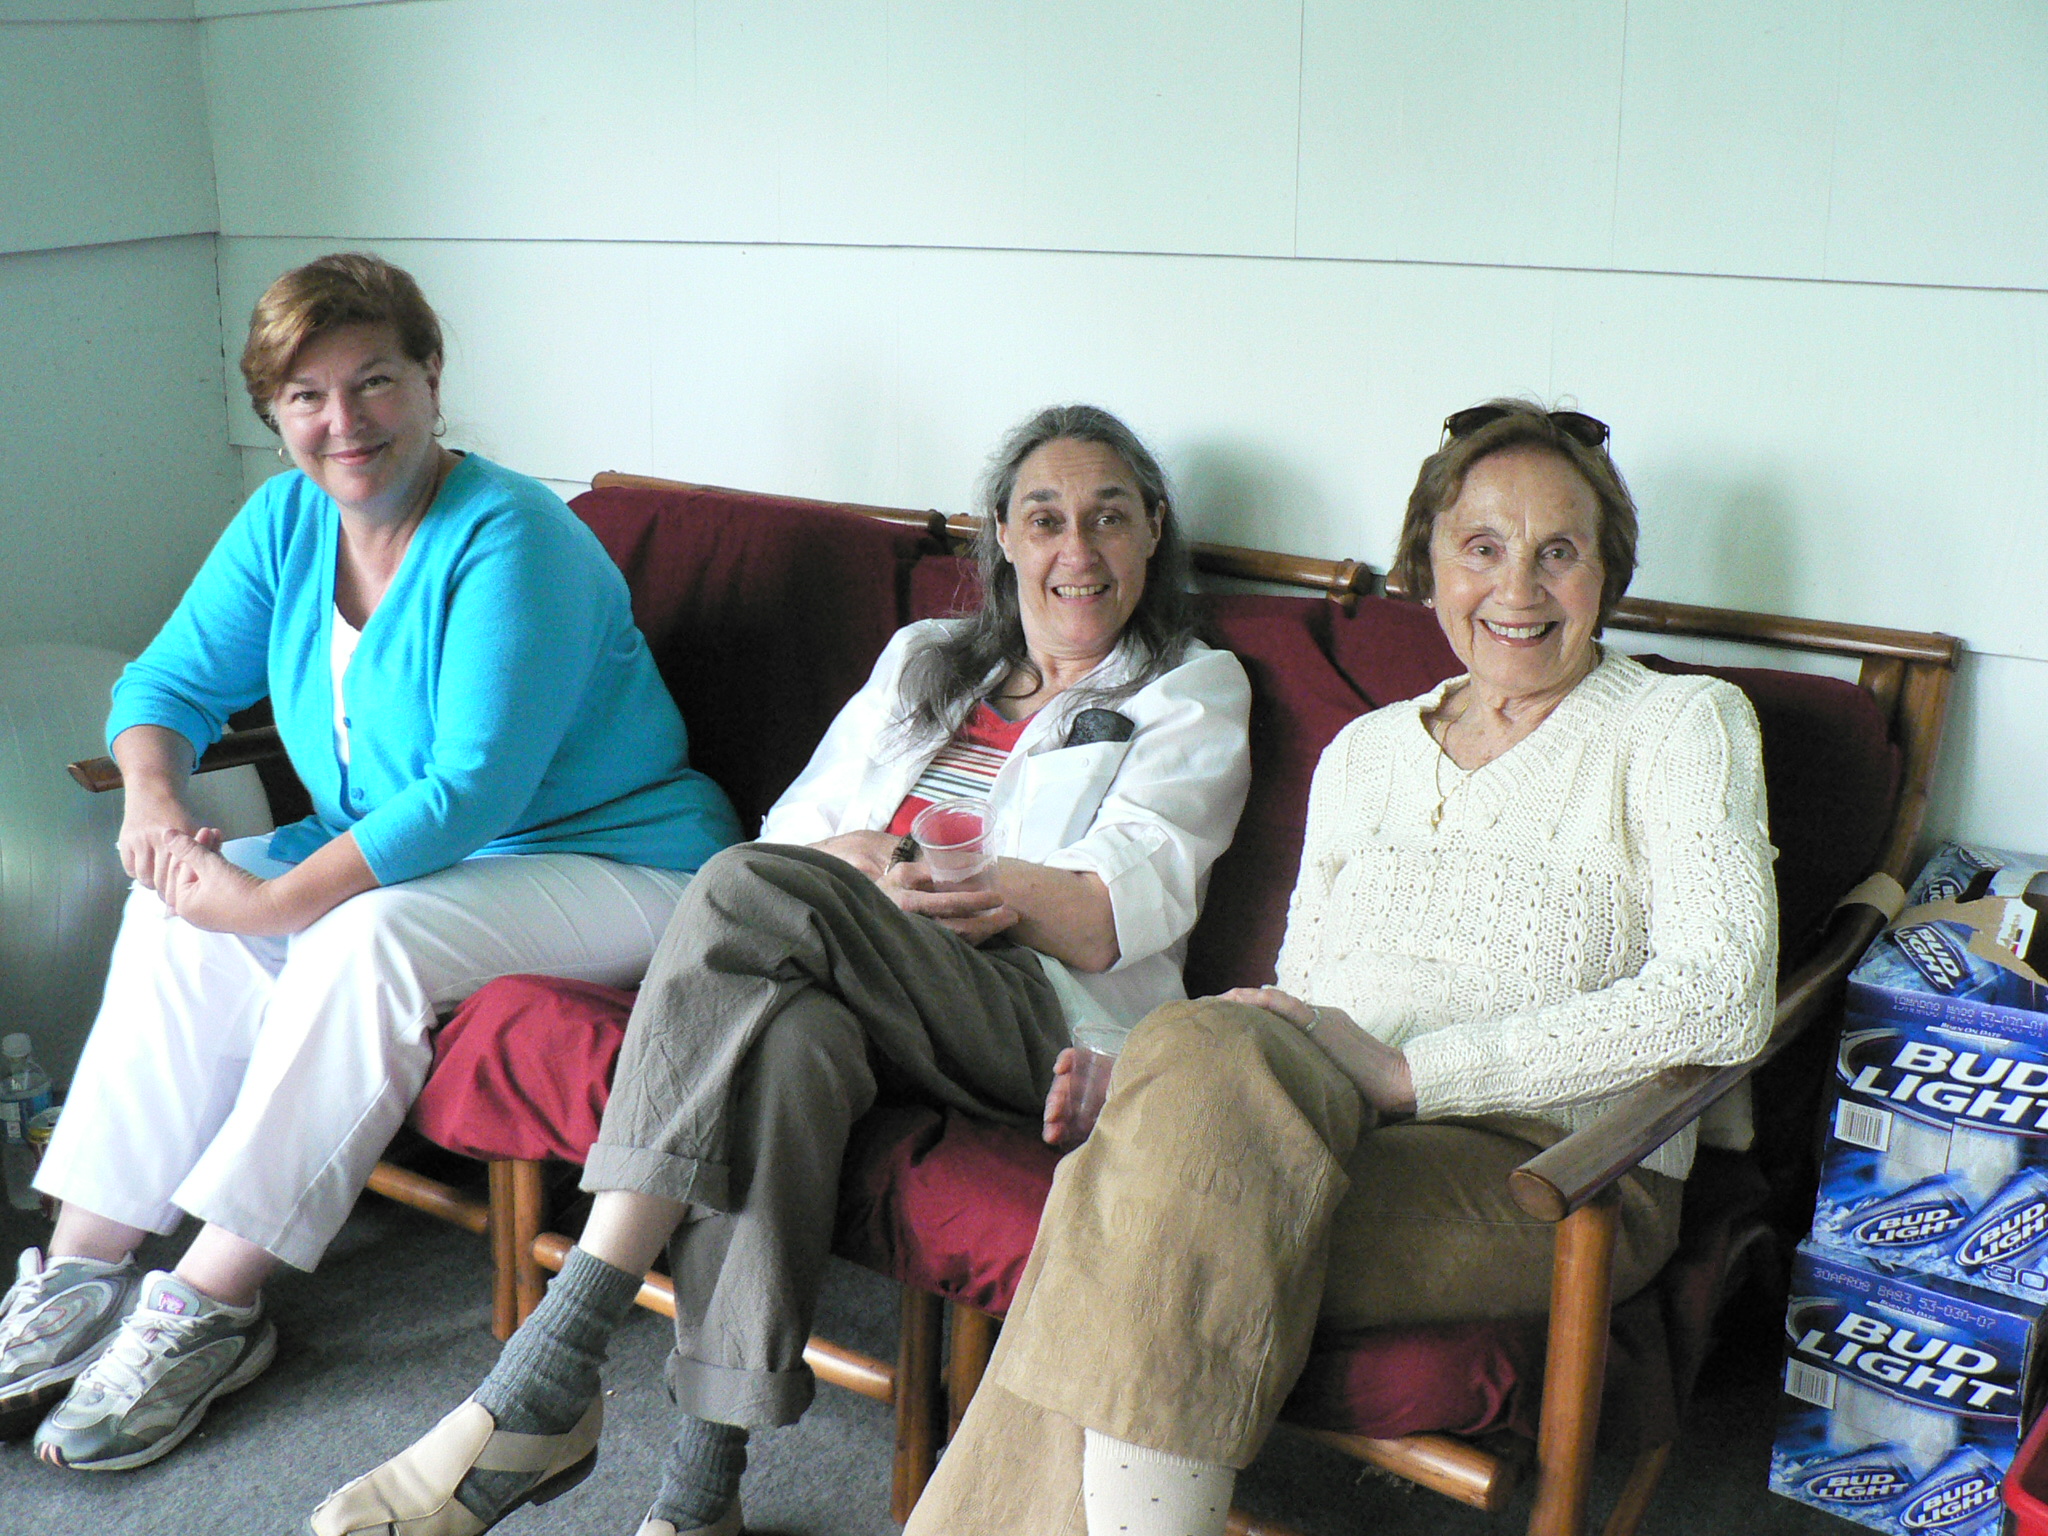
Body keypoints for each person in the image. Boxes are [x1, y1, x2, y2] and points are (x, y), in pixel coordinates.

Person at [311, 403, 1254, 1536]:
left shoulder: (1191, 691)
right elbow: (791, 830)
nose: (1078, 550)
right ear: (1002, 536)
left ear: (1153, 531)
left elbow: (1109, 916)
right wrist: (859, 866)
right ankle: (700, 1492)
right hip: (859, 975)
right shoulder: (926, 659)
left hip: (1034, 1011)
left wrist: (934, 876)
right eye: (1045, 518)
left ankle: (548, 1368)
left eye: (1110, 517)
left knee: (740, 893)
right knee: (789, 1043)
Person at [899, 400, 1780, 1536]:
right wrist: (1160, 1084)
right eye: (1481, 547)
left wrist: (1414, 1078)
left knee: (1128, 1215)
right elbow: (1297, 1004)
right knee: (1180, 1088)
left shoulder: (1681, 724)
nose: (1517, 588)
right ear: (1428, 568)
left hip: (1554, 1172)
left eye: (1558, 552)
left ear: (1607, 572)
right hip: (1321, 1122)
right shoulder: (1364, 755)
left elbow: (1722, 997)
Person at [0, 254, 741, 1471]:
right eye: (306, 396)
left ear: (432, 379)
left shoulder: (515, 537)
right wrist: (155, 808)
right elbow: (165, 683)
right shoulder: (286, 521)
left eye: (374, 381)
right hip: (429, 858)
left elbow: (470, 788)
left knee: (359, 933)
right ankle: (81, 1270)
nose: (343, 422)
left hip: (619, 861)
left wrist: (272, 901)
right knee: (184, 908)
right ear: (274, 413)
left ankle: (211, 1305)